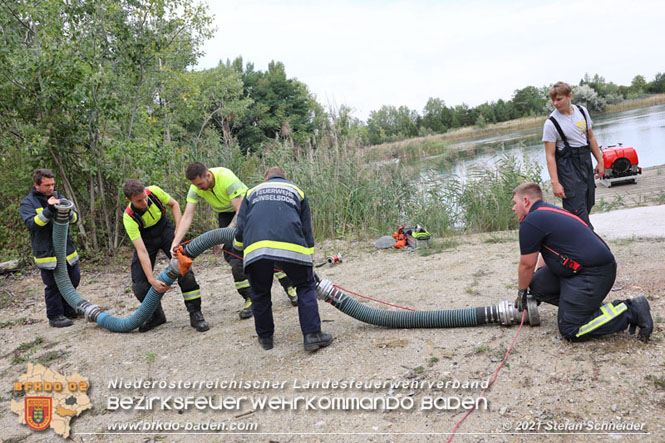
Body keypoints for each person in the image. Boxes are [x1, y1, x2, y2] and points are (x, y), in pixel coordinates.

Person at [511, 182, 652, 342]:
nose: (513, 208)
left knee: (571, 329)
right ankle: (582, 307)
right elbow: (547, 253)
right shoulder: (545, 213)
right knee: (537, 284)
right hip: (583, 269)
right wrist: (533, 289)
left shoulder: (531, 221)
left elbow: (526, 264)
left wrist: (521, 292)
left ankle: (631, 310)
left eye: (515, 203)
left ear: (526, 201)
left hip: (593, 273)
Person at [170, 162, 298, 320]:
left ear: (208, 176)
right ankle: (250, 298)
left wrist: (225, 235)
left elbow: (240, 211)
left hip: (249, 209)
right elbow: (188, 215)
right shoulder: (195, 187)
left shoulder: (226, 178)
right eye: (196, 185)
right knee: (234, 257)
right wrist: (176, 242)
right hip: (225, 214)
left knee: (265, 250)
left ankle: (290, 286)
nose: (199, 188)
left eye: (201, 184)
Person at [234, 166, 333, 352]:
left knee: (260, 292)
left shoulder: (252, 192)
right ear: (284, 178)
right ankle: (312, 335)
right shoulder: (297, 190)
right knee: (305, 285)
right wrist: (308, 261)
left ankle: (265, 338)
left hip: (257, 248)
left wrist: (238, 249)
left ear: (266, 178)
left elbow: (241, 225)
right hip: (292, 247)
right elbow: (306, 230)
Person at [123, 180, 209, 332]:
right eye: (139, 200)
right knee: (139, 286)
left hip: (164, 229)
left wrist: (178, 232)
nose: (144, 202)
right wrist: (151, 279)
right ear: (128, 200)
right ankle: (156, 316)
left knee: (184, 269)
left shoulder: (154, 192)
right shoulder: (129, 217)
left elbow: (174, 205)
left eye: (144, 197)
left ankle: (195, 313)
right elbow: (141, 250)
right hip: (146, 239)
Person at [19, 169, 80, 328]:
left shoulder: (60, 197)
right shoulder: (28, 203)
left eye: (52, 184)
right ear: (36, 185)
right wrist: (49, 209)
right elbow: (32, 225)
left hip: (66, 251)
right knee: (53, 285)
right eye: (47, 185)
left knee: (74, 278)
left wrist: (66, 209)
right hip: (47, 254)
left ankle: (69, 308)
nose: (51, 188)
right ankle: (55, 316)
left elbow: (75, 219)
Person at [543, 81, 604, 226]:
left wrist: (600, 161)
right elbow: (550, 156)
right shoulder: (551, 123)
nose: (555, 103)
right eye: (553, 100)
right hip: (568, 169)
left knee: (588, 203)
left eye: (559, 99)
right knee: (578, 212)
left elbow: (591, 137)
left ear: (569, 96)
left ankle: (576, 239)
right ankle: (591, 243)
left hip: (585, 162)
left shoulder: (582, 111)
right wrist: (555, 183)